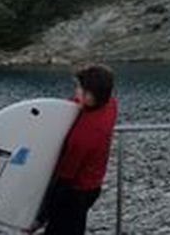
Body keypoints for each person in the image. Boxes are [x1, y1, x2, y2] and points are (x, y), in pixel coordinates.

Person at [40, 64, 118, 235]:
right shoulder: (111, 105)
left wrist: (41, 215)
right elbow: (86, 102)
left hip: (75, 193)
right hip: (93, 186)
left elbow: (65, 178)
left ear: (90, 96)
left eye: (79, 88)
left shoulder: (83, 137)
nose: (76, 91)